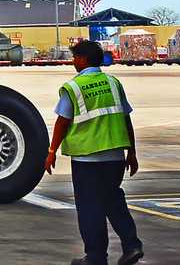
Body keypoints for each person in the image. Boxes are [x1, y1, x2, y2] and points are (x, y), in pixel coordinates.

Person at [46, 39, 145, 265]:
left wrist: (52, 151)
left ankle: (96, 256)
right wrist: (132, 152)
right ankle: (132, 245)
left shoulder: (73, 87)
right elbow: (125, 118)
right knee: (113, 200)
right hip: (114, 156)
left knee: (90, 207)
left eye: (74, 58)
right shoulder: (113, 83)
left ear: (82, 59)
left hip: (87, 157)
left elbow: (62, 122)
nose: (73, 62)